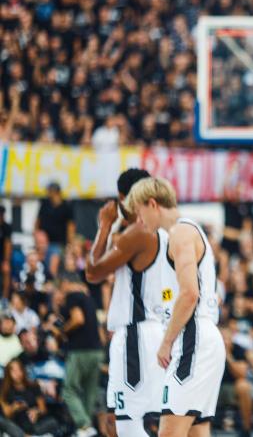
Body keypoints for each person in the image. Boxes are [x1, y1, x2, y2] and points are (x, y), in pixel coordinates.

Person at [125, 177, 224, 437]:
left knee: (169, 433)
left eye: (139, 212)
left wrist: (166, 342)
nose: (139, 220)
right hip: (203, 338)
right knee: (196, 432)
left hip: (194, 338)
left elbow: (190, 294)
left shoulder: (181, 233)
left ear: (152, 204)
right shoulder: (185, 232)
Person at [85, 168, 170, 436]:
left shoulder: (138, 233)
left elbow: (92, 272)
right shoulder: (165, 233)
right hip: (154, 333)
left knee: (127, 426)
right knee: (125, 423)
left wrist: (105, 224)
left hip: (136, 335)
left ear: (125, 198)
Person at [56, 279, 103, 437]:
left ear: (66, 283)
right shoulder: (89, 299)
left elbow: (78, 319)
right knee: (89, 392)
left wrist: (62, 331)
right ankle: (86, 430)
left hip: (80, 350)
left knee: (68, 390)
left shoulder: (73, 296)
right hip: (96, 351)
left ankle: (84, 424)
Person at [0, 359, 61, 436]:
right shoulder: (4, 390)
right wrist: (14, 408)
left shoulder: (33, 386)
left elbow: (43, 409)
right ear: (8, 373)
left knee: (52, 422)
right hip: (16, 425)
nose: (17, 373)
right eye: (13, 371)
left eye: (19, 369)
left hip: (34, 423)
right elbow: (6, 414)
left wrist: (36, 411)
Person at [35, 181, 75, 248]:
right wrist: (37, 236)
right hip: (44, 243)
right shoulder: (45, 204)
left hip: (60, 243)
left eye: (50, 191)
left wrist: (70, 243)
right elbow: (38, 221)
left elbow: (70, 226)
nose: (48, 193)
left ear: (56, 192)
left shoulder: (66, 207)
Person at [0, 205, 12, 301]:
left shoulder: (6, 227)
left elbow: (8, 245)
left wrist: (6, 261)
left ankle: (4, 298)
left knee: (6, 270)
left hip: (2, 256)